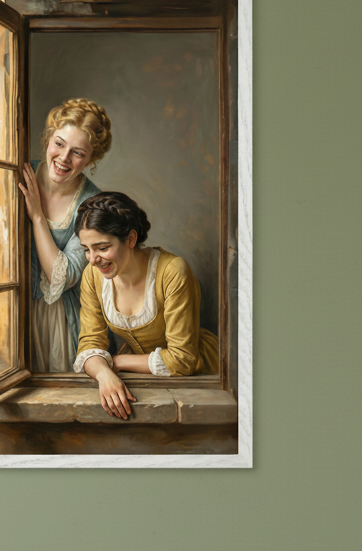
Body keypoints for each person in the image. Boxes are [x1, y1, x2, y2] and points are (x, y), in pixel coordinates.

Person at [72, 192, 219, 420]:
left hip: (197, 373)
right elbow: (90, 343)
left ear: (130, 239)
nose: (92, 259)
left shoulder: (172, 271)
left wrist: (116, 361)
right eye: (86, 249)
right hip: (140, 376)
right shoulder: (92, 276)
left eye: (102, 248)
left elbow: (182, 359)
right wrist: (104, 374)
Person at [18, 98, 113, 372]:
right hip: (9, 305)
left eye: (78, 153)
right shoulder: (19, 174)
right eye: (59, 144)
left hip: (58, 320)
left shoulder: (93, 203)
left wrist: (37, 217)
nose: (63, 158)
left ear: (91, 159)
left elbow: (62, 275)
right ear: (49, 138)